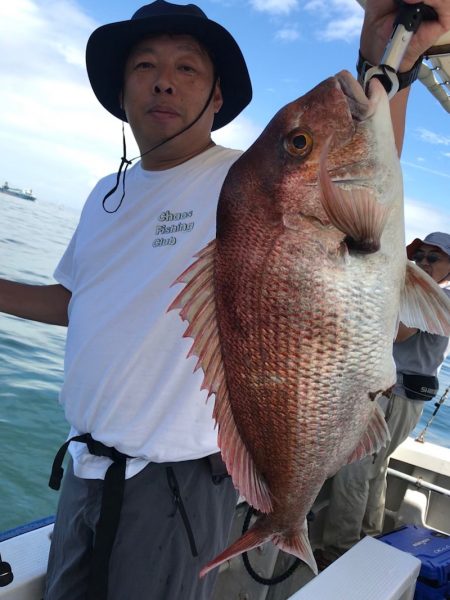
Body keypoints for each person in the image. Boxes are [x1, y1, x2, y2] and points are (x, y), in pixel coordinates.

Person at [0, 1, 449, 598]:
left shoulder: (245, 183)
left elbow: (361, 176)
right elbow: (73, 301)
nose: (164, 79)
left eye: (187, 68)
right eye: (144, 65)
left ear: (216, 99)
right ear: (121, 90)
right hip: (84, 471)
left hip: (175, 484)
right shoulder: (105, 194)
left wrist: (389, 61)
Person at [316, 232, 450, 569]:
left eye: (433, 258)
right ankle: (370, 537)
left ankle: (339, 551)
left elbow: (399, 332)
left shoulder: (433, 297)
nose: (422, 262)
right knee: (376, 470)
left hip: (395, 399)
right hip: (401, 399)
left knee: (355, 469)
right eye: (418, 256)